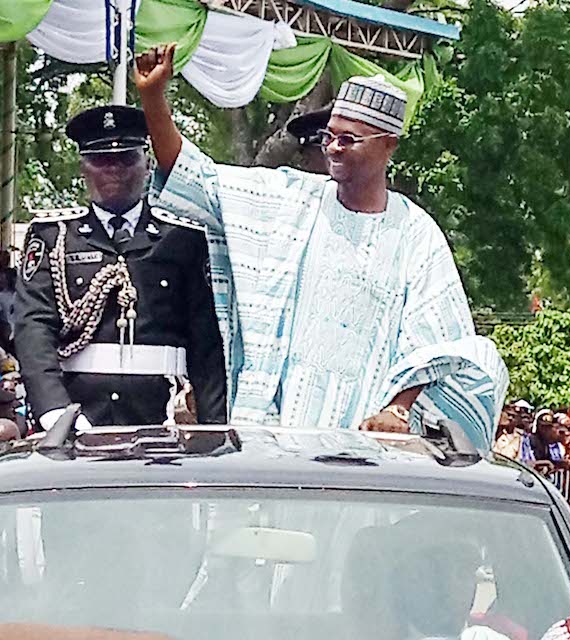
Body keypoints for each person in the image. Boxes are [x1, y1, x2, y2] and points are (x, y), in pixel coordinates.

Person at [134, 45, 508, 448]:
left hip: (366, 446)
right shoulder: (289, 200)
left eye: (349, 139)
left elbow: (435, 339)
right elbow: (196, 179)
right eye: (330, 136)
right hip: (274, 436)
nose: (332, 148)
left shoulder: (416, 233)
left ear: (389, 146)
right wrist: (154, 98)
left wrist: (397, 410)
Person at [14, 105, 226, 430]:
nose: (113, 169)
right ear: (82, 167)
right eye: (100, 160)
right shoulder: (53, 237)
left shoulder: (184, 239)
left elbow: (206, 344)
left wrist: (213, 428)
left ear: (148, 163)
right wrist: (54, 411)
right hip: (75, 416)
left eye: (127, 159)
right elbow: (34, 328)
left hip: (164, 417)